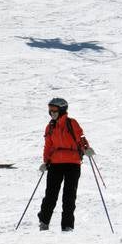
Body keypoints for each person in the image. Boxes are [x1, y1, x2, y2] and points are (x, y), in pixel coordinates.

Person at [38, 97, 92, 232]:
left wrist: (86, 148)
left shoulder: (71, 123)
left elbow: (81, 138)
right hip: (55, 164)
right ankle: (44, 221)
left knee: (69, 196)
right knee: (50, 194)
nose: (52, 113)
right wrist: (46, 162)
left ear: (62, 110)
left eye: (54, 110)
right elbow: (48, 146)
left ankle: (67, 225)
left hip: (72, 164)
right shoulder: (50, 126)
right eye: (50, 111)